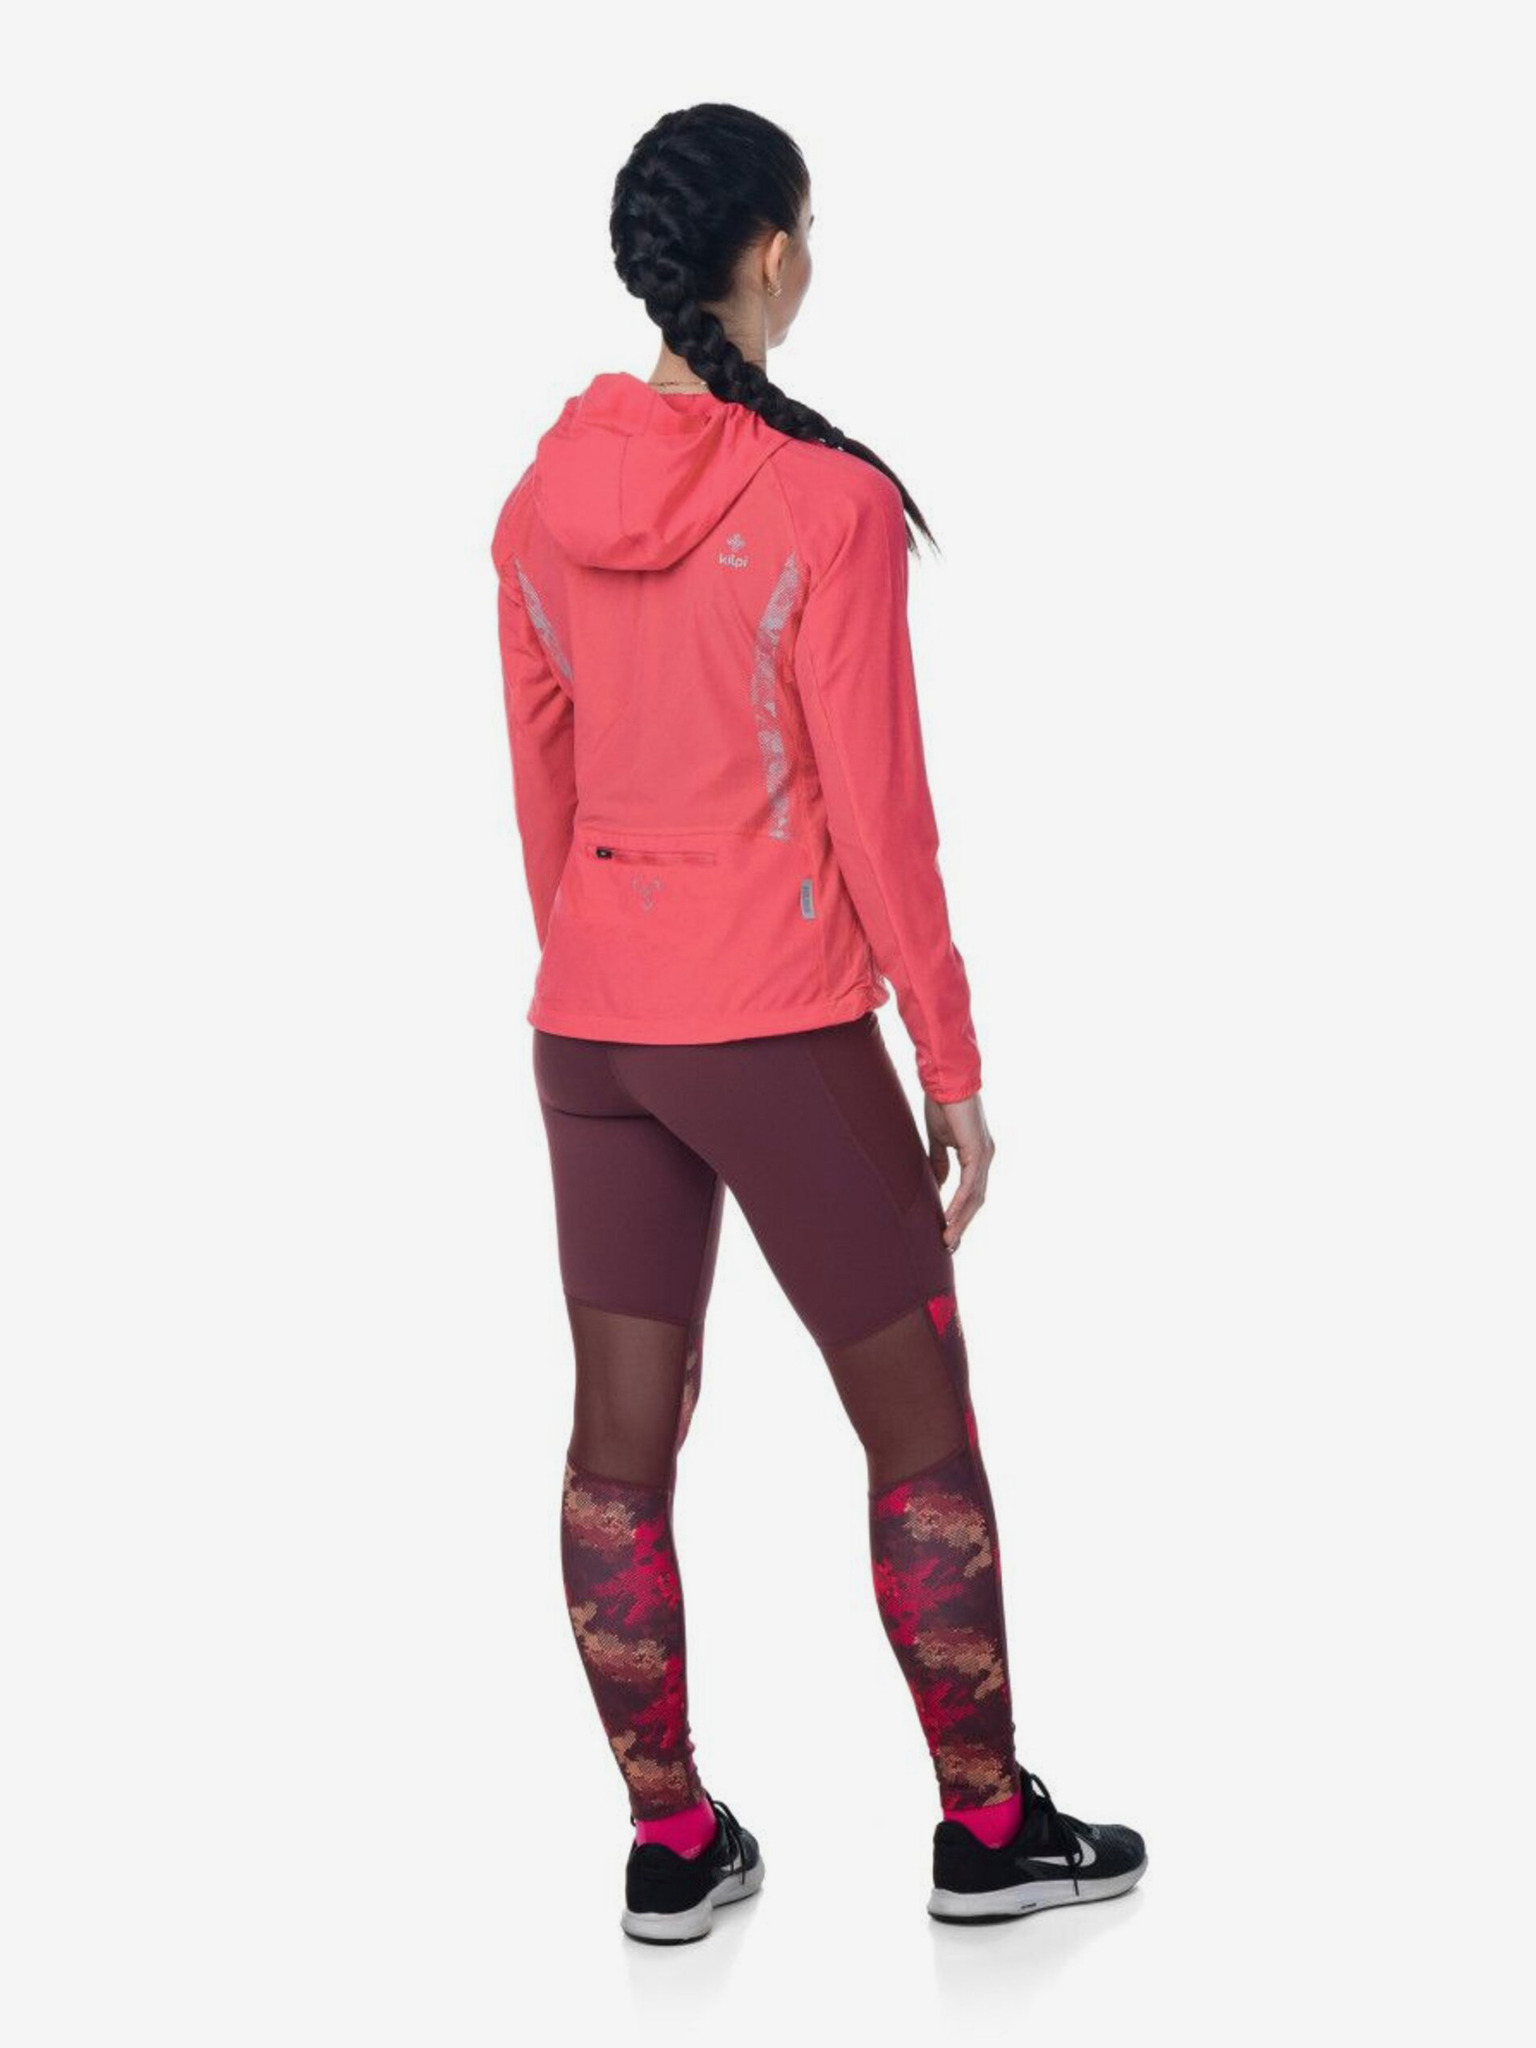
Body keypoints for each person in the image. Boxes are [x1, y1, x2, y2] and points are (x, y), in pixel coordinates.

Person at [489, 101, 1146, 1945]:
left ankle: (671, 1843)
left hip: (591, 1029)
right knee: (920, 1423)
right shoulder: (826, 503)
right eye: (813, 235)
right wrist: (953, 1064)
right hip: (775, 1026)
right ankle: (988, 1828)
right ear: (773, 254)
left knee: (618, 1444)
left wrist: (612, 970)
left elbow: (543, 794)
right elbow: (882, 814)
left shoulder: (536, 503)